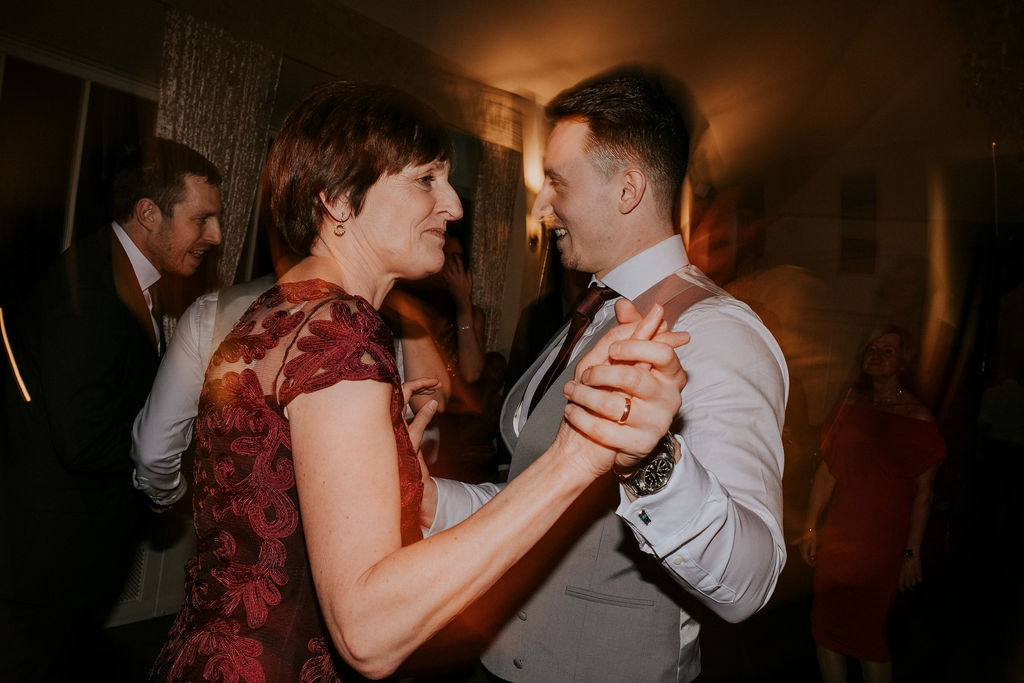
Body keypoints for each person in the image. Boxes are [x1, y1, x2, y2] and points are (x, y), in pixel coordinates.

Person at [148, 80, 690, 682]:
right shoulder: (339, 330)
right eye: (426, 180)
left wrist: (378, 447)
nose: (454, 206)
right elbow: (368, 633)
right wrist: (577, 455)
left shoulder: (276, 311)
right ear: (339, 201)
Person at [421, 66, 789, 683]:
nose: (541, 207)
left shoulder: (720, 333)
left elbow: (751, 584)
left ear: (627, 189)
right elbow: (527, 495)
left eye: (557, 183)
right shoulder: (592, 312)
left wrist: (652, 463)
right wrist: (430, 498)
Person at [0, 137, 222, 680]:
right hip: (44, 562)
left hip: (67, 557)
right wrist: (167, 457)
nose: (215, 236)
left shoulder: (123, 273)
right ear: (148, 213)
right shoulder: (92, 291)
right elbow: (83, 436)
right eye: (202, 219)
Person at [800, 326, 945, 683]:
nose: (876, 356)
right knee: (825, 624)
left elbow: (924, 494)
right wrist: (811, 526)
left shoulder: (918, 417)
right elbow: (827, 473)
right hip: (840, 535)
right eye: (872, 349)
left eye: (887, 351)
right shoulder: (848, 407)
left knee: (868, 633)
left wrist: (912, 552)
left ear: (903, 363)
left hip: (883, 541)